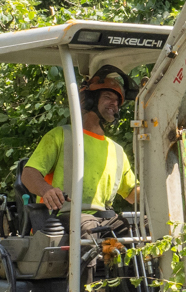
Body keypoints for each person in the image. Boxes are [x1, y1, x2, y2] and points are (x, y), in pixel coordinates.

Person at [21, 66, 139, 233]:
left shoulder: (116, 150)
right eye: (108, 97)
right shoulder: (61, 136)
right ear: (88, 100)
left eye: (117, 101)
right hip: (63, 217)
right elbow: (29, 174)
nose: (115, 104)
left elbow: (132, 193)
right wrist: (46, 191)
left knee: (144, 227)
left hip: (104, 218)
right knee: (90, 229)